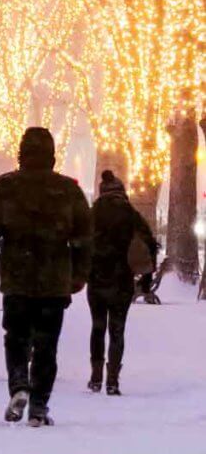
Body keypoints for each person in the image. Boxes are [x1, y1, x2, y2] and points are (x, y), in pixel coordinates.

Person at [0, 127, 92, 427]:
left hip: (17, 277)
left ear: (21, 153)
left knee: (16, 338)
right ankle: (38, 405)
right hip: (54, 280)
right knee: (48, 344)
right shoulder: (67, 190)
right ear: (52, 155)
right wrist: (79, 274)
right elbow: (85, 236)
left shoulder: (6, 186)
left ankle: (20, 384)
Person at [87, 169, 157, 395]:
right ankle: (113, 379)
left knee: (98, 327)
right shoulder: (130, 213)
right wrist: (146, 280)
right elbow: (150, 244)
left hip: (97, 279)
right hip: (121, 279)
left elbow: (77, 242)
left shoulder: (93, 212)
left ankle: (96, 375)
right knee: (117, 330)